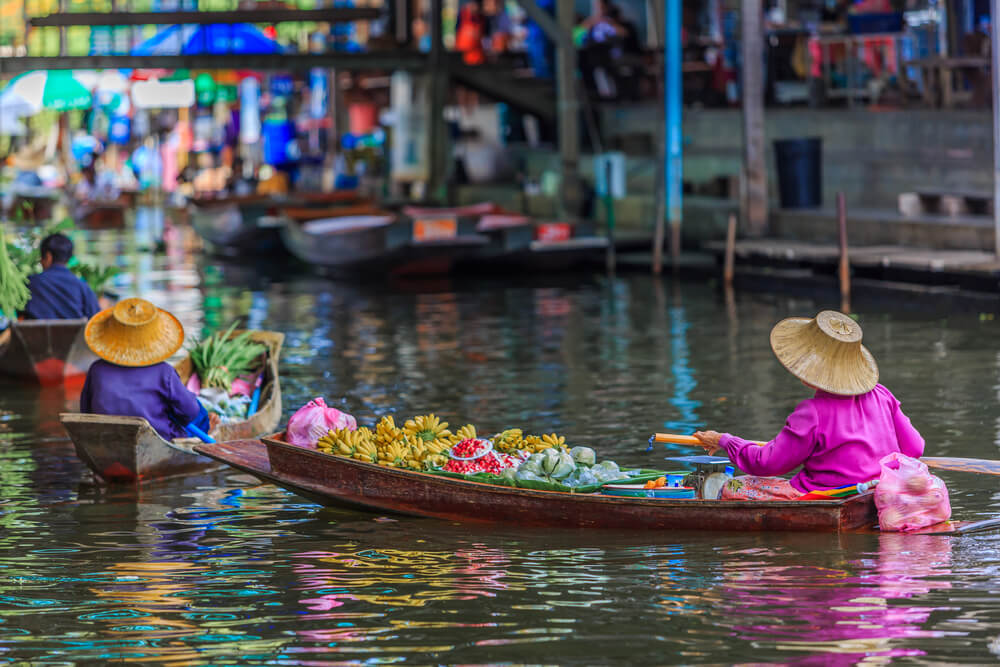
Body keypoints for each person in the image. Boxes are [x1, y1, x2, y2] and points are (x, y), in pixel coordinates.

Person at [692, 310, 924, 500]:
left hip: (827, 496)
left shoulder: (812, 412)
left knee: (733, 486)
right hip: (878, 492)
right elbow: (914, 448)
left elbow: (767, 463)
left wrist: (725, 441)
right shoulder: (882, 394)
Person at [79, 298, 217, 441]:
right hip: (159, 437)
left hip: (106, 438)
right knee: (196, 411)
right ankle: (207, 429)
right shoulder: (164, 372)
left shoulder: (96, 370)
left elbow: (86, 410)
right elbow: (190, 411)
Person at [21, 234, 101, 321]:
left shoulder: (31, 283)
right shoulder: (82, 286)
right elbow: (96, 319)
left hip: (35, 334)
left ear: (48, 256)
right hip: (74, 334)